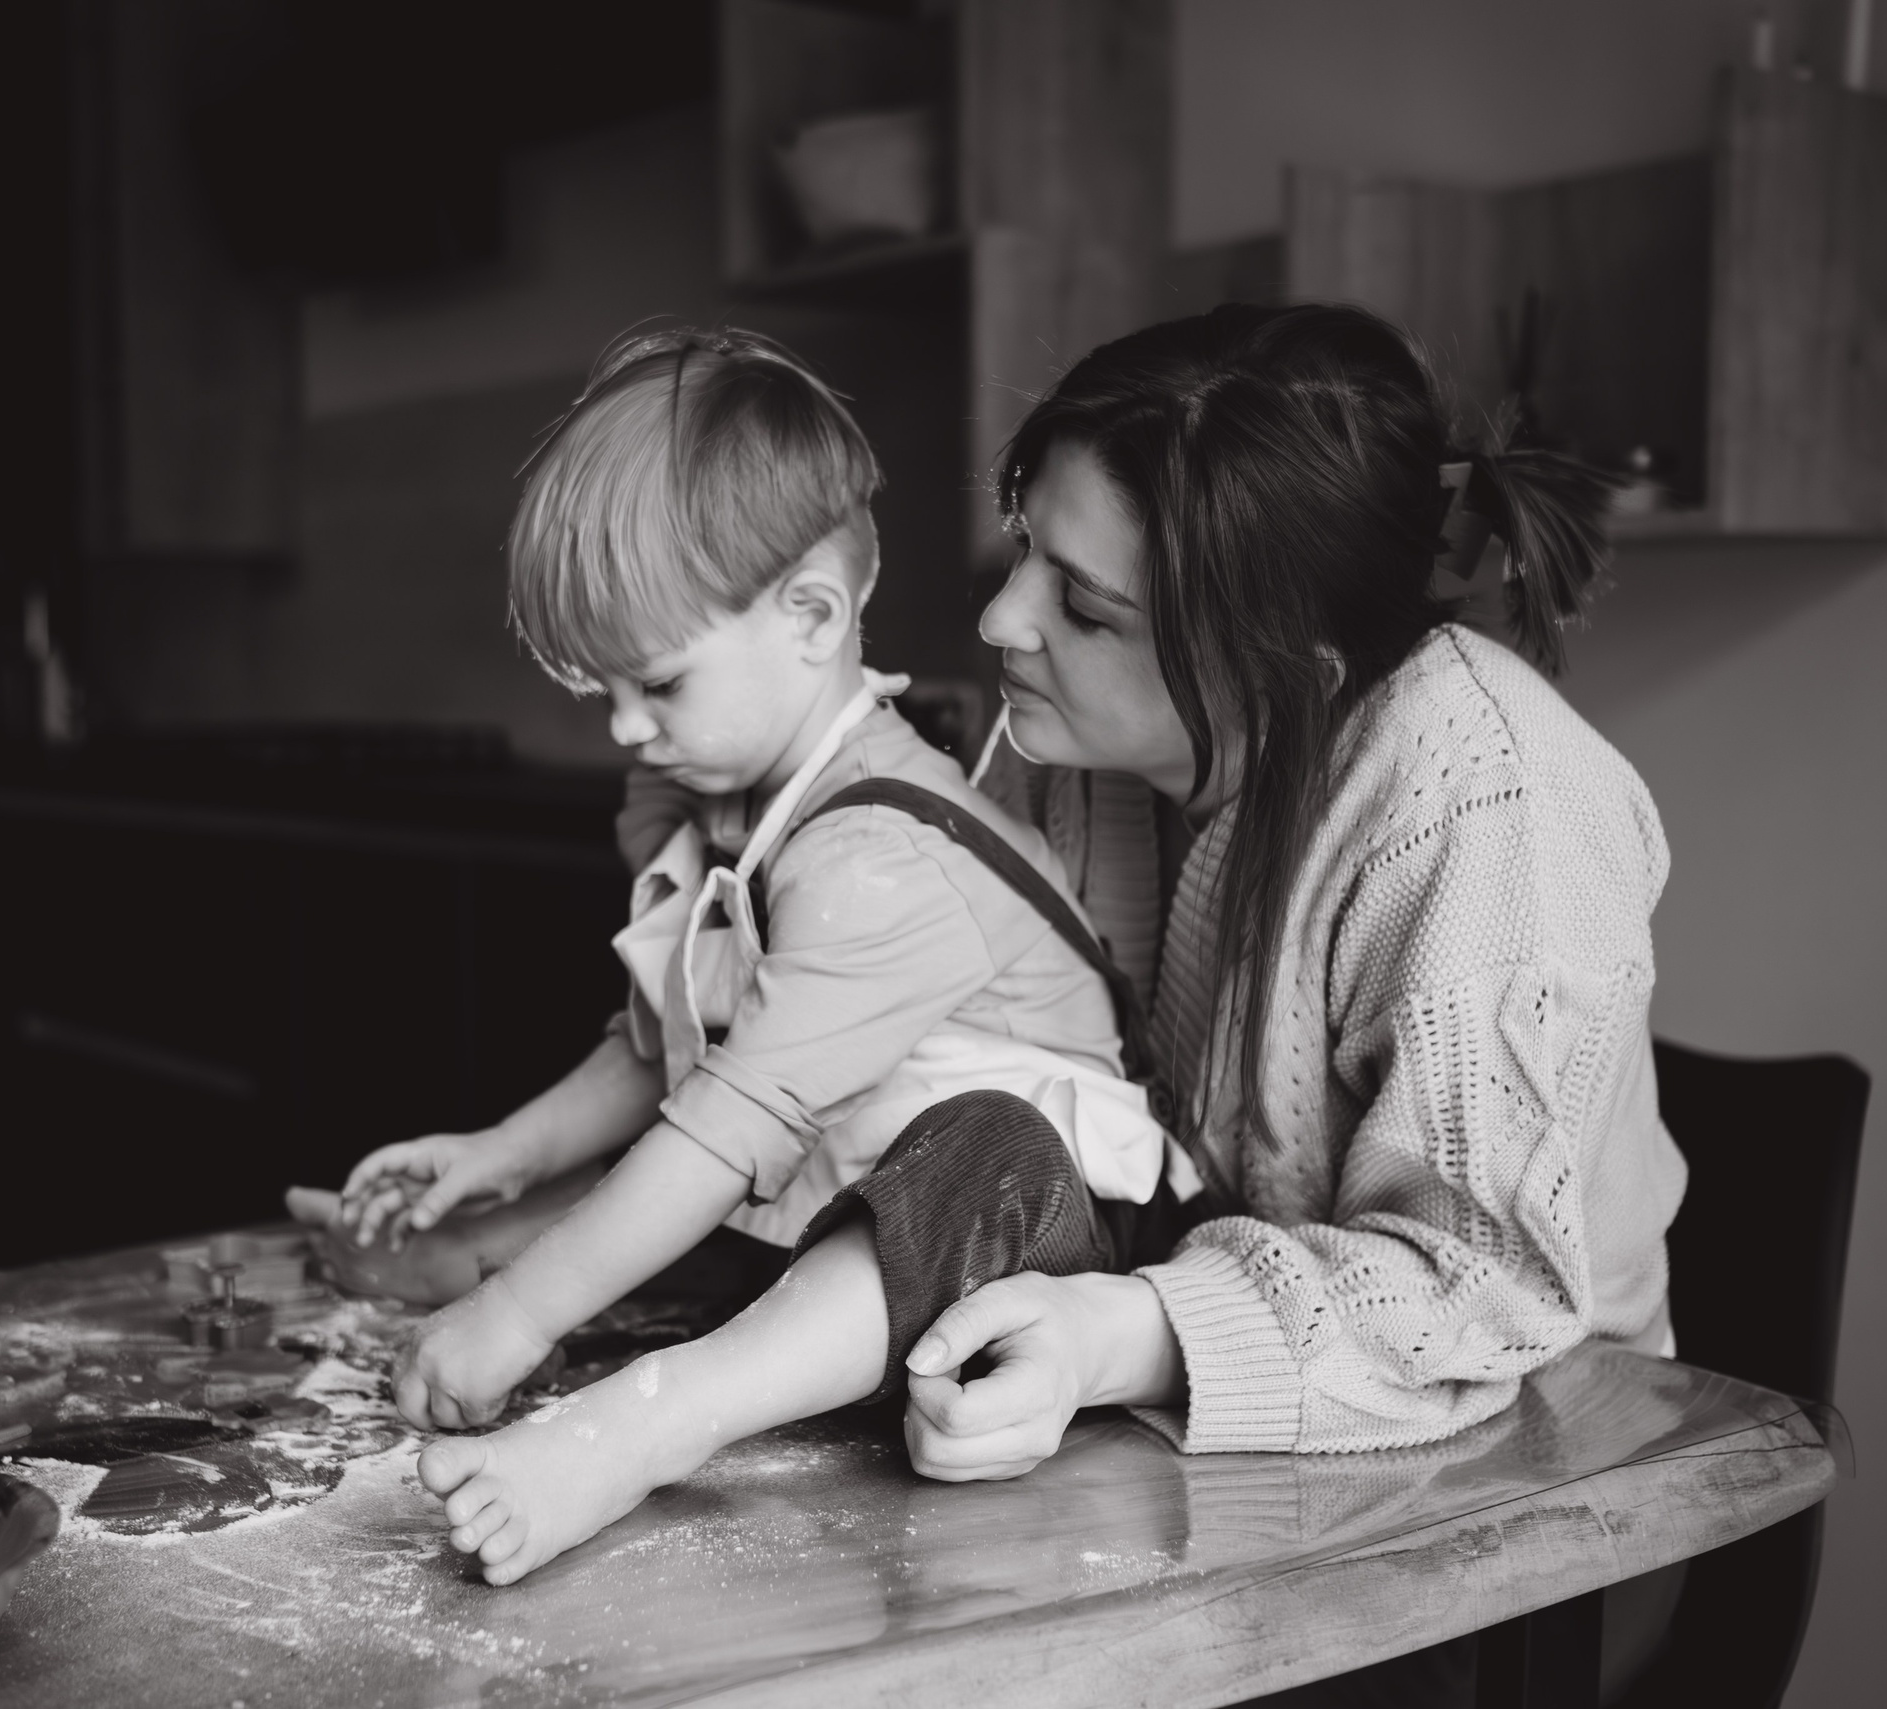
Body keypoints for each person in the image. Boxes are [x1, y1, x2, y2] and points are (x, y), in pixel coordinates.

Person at [430, 300, 1687, 1604]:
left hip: (1520, 1518)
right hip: (1183, 1444)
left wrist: (1114, 1335)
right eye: (1027, 546)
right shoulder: (1073, 752)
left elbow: (1476, 1298)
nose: (999, 620)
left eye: (1081, 606)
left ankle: (650, 1420)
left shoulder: (1492, 812)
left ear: (1280, 675)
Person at [336, 327, 1188, 1582]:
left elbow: (722, 1123)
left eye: (659, 685)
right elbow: (661, 1047)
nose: (627, 726)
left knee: (976, 1152)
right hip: (830, 1220)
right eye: (601, 690)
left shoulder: (882, 853)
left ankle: (639, 1425)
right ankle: (481, 1251)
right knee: (598, 1205)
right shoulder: (709, 802)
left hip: (1038, 1234)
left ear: (810, 615)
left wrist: (518, 1313)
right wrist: (499, 1153)